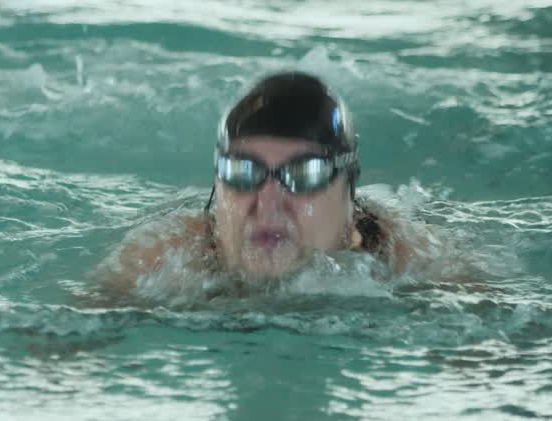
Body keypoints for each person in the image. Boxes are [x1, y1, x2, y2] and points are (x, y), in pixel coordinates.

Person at [94, 71, 437, 298]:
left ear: (350, 201)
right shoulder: (164, 257)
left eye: (305, 176)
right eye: (243, 172)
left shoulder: (407, 256)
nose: (268, 203)